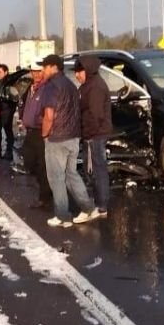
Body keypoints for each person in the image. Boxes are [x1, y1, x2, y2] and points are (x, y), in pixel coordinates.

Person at [39, 55, 99, 227]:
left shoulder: (51, 87)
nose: (42, 71)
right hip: (73, 137)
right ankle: (88, 208)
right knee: (71, 174)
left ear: (53, 67)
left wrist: (44, 134)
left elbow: (49, 115)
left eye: (44, 67)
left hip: (57, 138)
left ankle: (62, 215)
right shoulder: (71, 85)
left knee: (56, 177)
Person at [75, 57, 112, 217]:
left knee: (98, 169)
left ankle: (101, 205)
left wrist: (88, 134)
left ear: (88, 70)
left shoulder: (95, 87)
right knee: (94, 169)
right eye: (75, 72)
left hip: (95, 135)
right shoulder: (88, 85)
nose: (77, 75)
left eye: (79, 72)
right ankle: (99, 203)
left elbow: (96, 115)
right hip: (93, 133)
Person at [19, 61, 54, 207]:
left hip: (42, 131)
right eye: (34, 71)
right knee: (29, 162)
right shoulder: (31, 88)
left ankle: (45, 197)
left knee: (43, 166)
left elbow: (49, 112)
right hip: (30, 131)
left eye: (39, 71)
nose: (37, 74)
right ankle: (46, 191)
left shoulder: (47, 88)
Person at [0, 64, 17, 161]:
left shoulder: (11, 83)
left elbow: (14, 97)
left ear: (6, 72)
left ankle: (9, 152)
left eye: (0, 72)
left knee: (8, 131)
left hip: (7, 110)